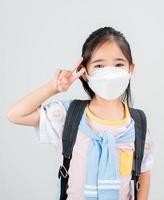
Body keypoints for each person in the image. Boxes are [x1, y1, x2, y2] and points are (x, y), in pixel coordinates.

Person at [6, 26, 154, 200]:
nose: (109, 72)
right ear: (85, 73)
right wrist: (54, 88)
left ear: (131, 69)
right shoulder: (68, 116)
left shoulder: (137, 124)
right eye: (99, 65)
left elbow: (143, 171)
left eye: (119, 64)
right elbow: (15, 114)